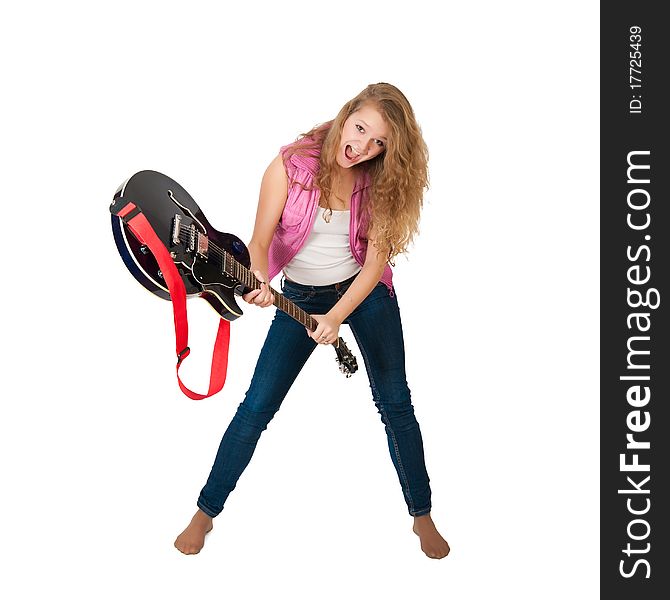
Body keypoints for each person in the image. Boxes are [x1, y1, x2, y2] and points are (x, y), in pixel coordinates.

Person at [174, 83, 450, 559]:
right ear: (346, 115)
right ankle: (204, 512)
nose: (362, 146)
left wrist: (336, 317)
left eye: (378, 142)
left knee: (396, 403)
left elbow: (372, 265)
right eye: (360, 128)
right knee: (255, 408)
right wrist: (259, 278)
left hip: (364, 295)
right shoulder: (288, 166)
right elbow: (259, 242)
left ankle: (422, 514)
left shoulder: (385, 178)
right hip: (299, 294)